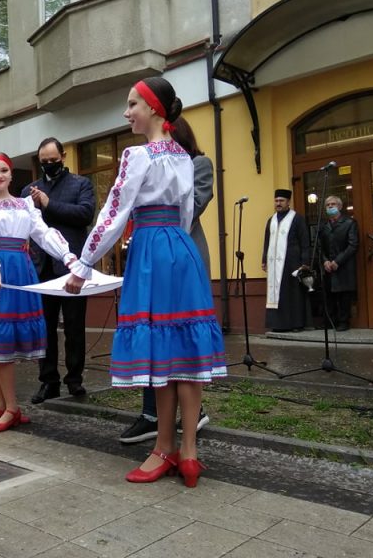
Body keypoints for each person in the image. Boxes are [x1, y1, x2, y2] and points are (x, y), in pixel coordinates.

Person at [65, 77, 226, 488]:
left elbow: (113, 214)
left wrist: (82, 267)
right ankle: (188, 452)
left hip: (153, 252)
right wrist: (173, 244)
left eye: (133, 103)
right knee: (186, 358)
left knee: (160, 359)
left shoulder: (137, 156)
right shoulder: (185, 158)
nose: (127, 112)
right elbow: (188, 214)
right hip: (182, 252)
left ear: (154, 108)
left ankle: (164, 449)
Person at [0, 152, 75, 433]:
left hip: (20, 268)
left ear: (10, 174)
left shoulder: (25, 204)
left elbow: (43, 233)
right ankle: (12, 408)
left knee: (6, 339)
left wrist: (68, 257)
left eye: (3, 170)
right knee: (1, 341)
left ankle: (0, 403)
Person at [119, 116, 213, 444]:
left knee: (181, 343)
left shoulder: (194, 162)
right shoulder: (148, 157)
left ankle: (183, 433)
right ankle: (155, 421)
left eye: (134, 105)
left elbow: (190, 208)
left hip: (178, 257)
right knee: (155, 339)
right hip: (158, 253)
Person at [21, 137, 95, 404]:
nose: (49, 165)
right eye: (44, 162)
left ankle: (74, 380)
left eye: (53, 160)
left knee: (75, 326)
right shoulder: (29, 189)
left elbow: (85, 215)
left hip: (73, 267)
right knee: (45, 327)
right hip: (41, 268)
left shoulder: (81, 184)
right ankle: (48, 381)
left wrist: (49, 204)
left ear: (63, 157)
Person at [262, 189, 311, 332]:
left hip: (292, 262)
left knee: (293, 293)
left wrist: (305, 262)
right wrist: (264, 259)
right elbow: (267, 241)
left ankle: (296, 324)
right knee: (277, 293)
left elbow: (304, 241)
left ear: (288, 202)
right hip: (274, 263)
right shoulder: (271, 220)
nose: (278, 203)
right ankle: (278, 324)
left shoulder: (297, 218)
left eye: (281, 201)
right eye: (276, 201)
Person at [319, 196, 358, 332]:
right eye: (328, 205)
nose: (330, 206)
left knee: (344, 296)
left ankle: (343, 321)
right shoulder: (323, 226)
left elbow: (352, 245)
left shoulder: (349, 223)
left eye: (333, 204)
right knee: (330, 296)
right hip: (328, 266)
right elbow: (320, 247)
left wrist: (337, 261)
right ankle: (331, 320)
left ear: (340, 207)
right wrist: (325, 261)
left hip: (344, 266)